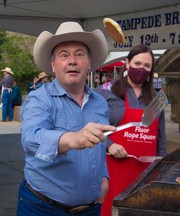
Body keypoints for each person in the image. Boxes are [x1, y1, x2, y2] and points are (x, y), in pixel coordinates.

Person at [17, 21, 116, 216]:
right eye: (64, 55)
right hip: (42, 208)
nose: (72, 60)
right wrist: (71, 138)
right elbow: (30, 139)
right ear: (54, 65)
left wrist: (104, 177)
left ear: (89, 63)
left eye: (79, 54)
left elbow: (99, 145)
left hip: (91, 209)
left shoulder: (100, 103)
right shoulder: (39, 99)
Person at [95, 44, 167, 216]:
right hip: (113, 171)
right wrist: (109, 144)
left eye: (147, 66)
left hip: (146, 174)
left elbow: (161, 140)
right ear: (127, 63)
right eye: (137, 63)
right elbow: (91, 126)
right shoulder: (106, 92)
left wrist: (162, 168)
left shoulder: (157, 98)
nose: (141, 69)